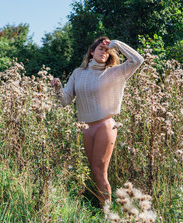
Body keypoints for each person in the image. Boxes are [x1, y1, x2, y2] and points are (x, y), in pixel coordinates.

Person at [51, 36, 144, 205]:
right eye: (101, 48)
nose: (104, 52)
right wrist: (57, 88)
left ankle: (107, 213)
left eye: (107, 51)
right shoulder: (78, 73)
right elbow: (65, 101)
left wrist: (116, 44)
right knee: (94, 172)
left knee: (100, 171)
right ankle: (102, 207)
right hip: (85, 128)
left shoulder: (114, 72)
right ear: (92, 52)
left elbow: (138, 60)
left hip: (105, 126)